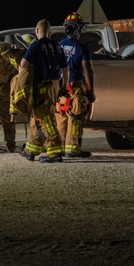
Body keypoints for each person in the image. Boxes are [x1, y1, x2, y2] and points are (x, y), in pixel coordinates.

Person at [15, 19, 65, 163]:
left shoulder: (35, 45)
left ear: (37, 31)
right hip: (54, 86)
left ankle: (54, 153)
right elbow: (65, 69)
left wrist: (21, 81)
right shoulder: (57, 47)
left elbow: (23, 65)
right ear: (49, 32)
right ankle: (30, 150)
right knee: (36, 118)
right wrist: (62, 86)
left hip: (41, 88)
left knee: (46, 120)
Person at [55, 12, 95, 159]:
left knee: (61, 118)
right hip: (76, 87)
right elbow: (88, 72)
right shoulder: (82, 48)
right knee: (76, 118)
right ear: (77, 29)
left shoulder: (58, 46)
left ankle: (58, 148)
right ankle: (72, 149)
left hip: (61, 87)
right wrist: (91, 92)